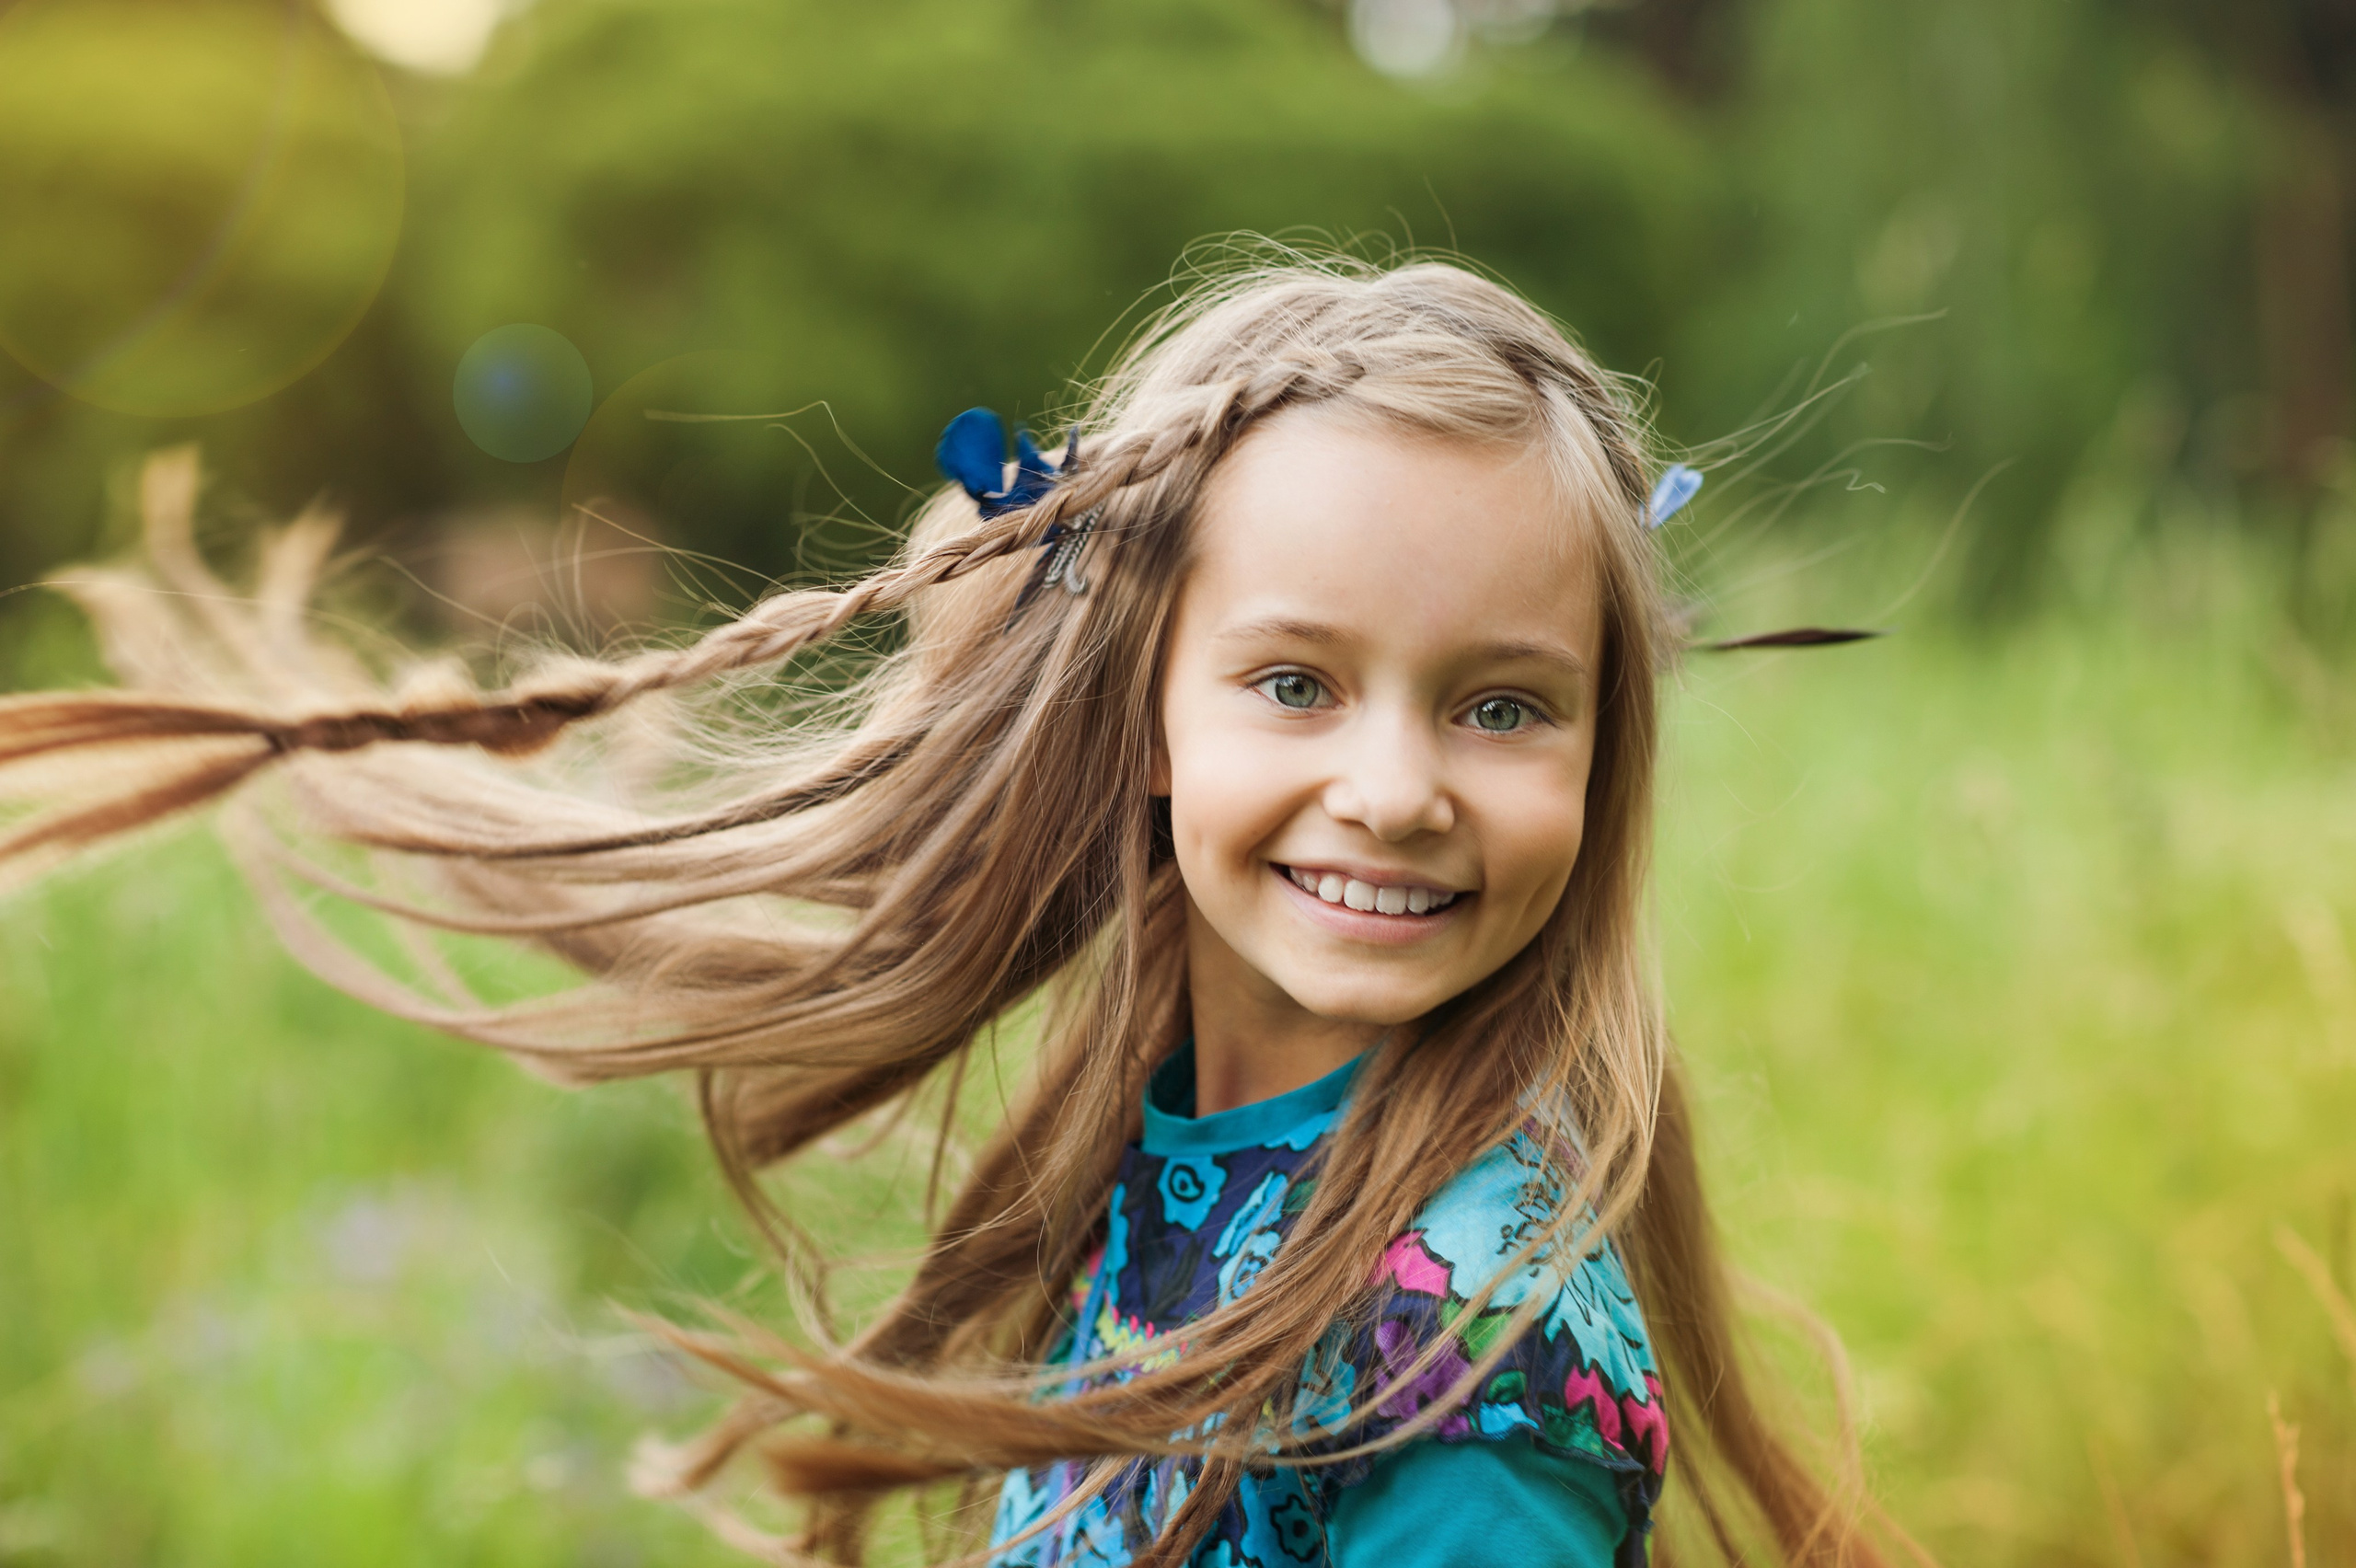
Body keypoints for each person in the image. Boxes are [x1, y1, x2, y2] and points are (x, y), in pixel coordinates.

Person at [0, 256, 1894, 1566]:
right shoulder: (1206, 1150)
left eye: (1497, 706)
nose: (1395, 786)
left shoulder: (1474, 1368)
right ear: (1136, 708)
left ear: (1598, 753)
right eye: (1296, 683)